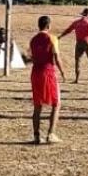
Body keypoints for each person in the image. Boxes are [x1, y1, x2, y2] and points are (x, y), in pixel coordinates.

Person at [30, 15, 67, 144]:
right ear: (48, 26)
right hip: (48, 72)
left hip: (35, 72)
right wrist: (63, 71)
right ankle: (51, 134)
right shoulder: (52, 38)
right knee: (56, 103)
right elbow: (56, 57)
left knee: (37, 105)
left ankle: (36, 135)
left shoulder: (33, 39)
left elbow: (32, 57)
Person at [60, 8, 88, 83]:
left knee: (77, 61)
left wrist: (60, 36)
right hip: (86, 42)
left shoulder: (76, 22)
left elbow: (68, 30)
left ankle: (77, 79)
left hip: (78, 43)